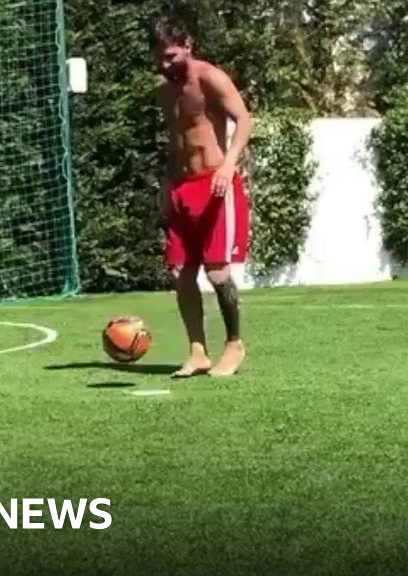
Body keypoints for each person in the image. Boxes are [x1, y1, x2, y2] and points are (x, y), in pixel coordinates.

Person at [149, 11, 252, 378]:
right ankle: (197, 351)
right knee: (182, 273)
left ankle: (234, 344)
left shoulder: (210, 77)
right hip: (180, 188)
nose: (165, 63)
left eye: (171, 55)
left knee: (218, 271)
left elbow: (244, 119)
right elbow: (176, 142)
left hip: (214, 184)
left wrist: (228, 165)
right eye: (159, 56)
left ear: (188, 45)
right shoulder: (164, 90)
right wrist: (166, 183)